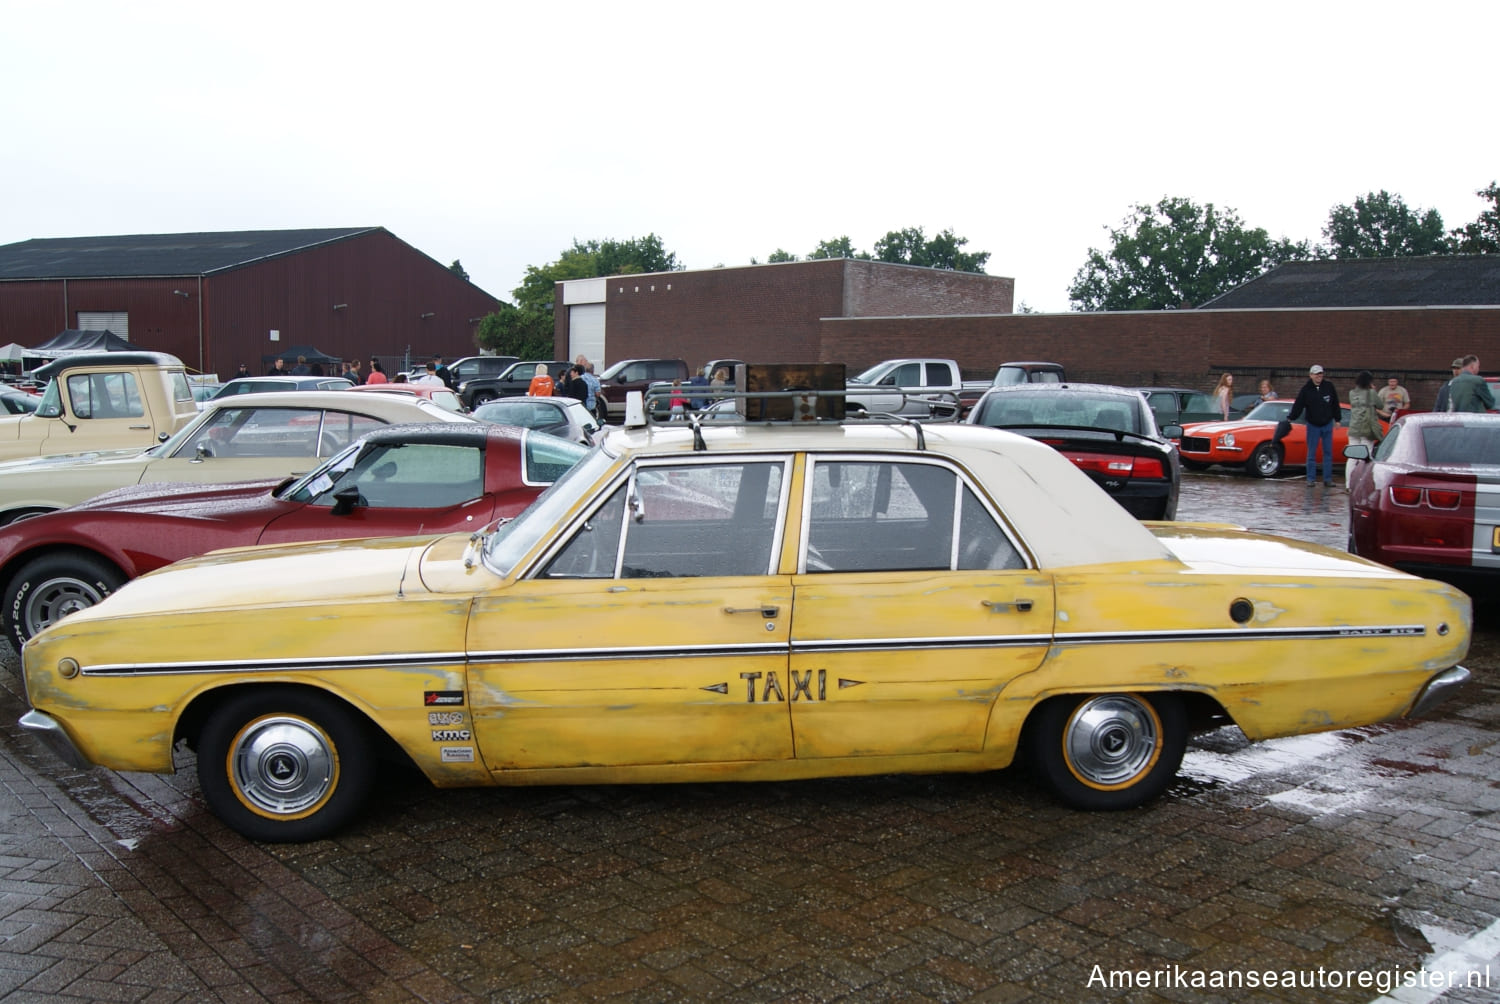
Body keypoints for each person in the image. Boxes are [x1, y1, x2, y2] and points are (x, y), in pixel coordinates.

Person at [1288, 364, 1340, 486]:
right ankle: (1311, 479)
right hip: (1313, 425)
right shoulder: (1306, 389)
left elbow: (1335, 403)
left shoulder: (1329, 387)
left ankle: (1327, 479)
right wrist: (1291, 417)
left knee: (1328, 453)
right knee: (1311, 453)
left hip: (1327, 423)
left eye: (1320, 374)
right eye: (1316, 374)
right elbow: (1298, 405)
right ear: (1311, 375)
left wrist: (1337, 419)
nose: (1319, 376)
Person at [1346, 371, 1387, 487]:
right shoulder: (1371, 393)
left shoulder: (1352, 393)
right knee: (1365, 456)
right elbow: (1380, 405)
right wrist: (1373, 390)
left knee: (1352, 457)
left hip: (1354, 428)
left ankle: (1348, 484)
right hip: (1366, 428)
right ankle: (1362, 484)